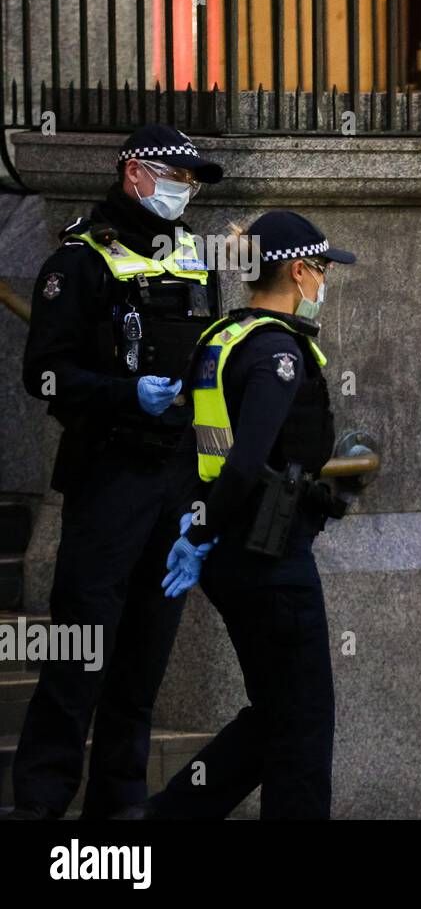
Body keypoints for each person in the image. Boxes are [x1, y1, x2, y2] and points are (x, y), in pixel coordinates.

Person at [6, 125, 223, 820]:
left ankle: (119, 811)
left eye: (192, 182)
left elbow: (214, 389)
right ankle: (39, 807)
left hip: (176, 481)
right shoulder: (79, 262)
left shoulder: (197, 261)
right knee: (79, 656)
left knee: (143, 663)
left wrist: (207, 497)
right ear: (134, 173)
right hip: (109, 476)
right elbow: (42, 375)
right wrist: (122, 394)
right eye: (174, 176)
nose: (183, 191)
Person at [142, 211, 354, 819]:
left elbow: (192, 445)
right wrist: (201, 527)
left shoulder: (221, 338)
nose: (322, 282)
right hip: (270, 557)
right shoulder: (279, 354)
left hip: (229, 554)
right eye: (321, 269)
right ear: (297, 269)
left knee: (276, 715)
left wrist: (193, 524)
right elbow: (243, 462)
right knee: (305, 728)